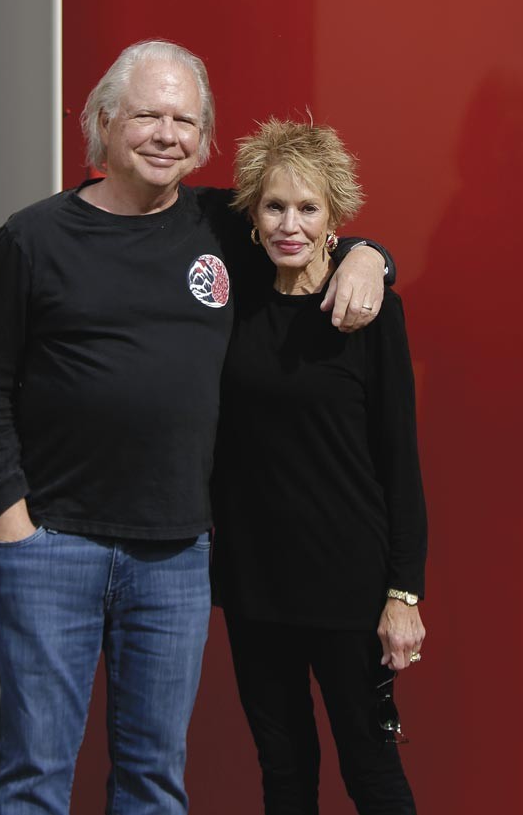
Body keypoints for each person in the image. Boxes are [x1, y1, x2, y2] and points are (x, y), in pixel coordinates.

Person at [0, 41, 391, 815]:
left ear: (203, 139)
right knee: (34, 777)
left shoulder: (220, 225)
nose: (167, 134)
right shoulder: (33, 239)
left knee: (154, 782)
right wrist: (12, 514)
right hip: (53, 542)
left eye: (185, 120)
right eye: (149, 115)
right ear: (102, 122)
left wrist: (370, 256)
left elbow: (304, 217)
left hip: (176, 556)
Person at [212, 119, 428, 815]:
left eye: (308, 208)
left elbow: (401, 459)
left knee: (371, 771)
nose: (290, 224)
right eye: (275, 206)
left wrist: (405, 593)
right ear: (252, 212)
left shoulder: (369, 313)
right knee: (283, 769)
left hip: (348, 584)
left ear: (335, 216)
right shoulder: (231, 304)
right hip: (254, 583)